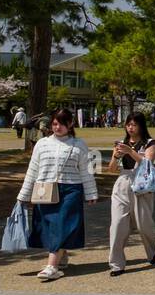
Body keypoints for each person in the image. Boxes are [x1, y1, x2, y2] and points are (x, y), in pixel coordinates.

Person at [17, 108, 97, 281]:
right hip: (45, 190)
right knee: (50, 228)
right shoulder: (42, 144)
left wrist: (91, 193)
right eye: (54, 123)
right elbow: (33, 170)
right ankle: (61, 256)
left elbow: (87, 170)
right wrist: (23, 195)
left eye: (62, 123)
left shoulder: (79, 144)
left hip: (71, 191)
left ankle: (51, 266)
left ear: (70, 124)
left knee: (63, 225)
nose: (57, 127)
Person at [107, 112, 155, 276]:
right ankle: (116, 264)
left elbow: (147, 163)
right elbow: (111, 169)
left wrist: (130, 152)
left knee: (144, 224)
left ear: (141, 126)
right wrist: (116, 156)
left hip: (142, 185)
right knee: (117, 225)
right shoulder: (121, 143)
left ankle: (153, 248)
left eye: (134, 124)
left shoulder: (150, 143)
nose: (130, 128)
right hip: (122, 184)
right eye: (128, 124)